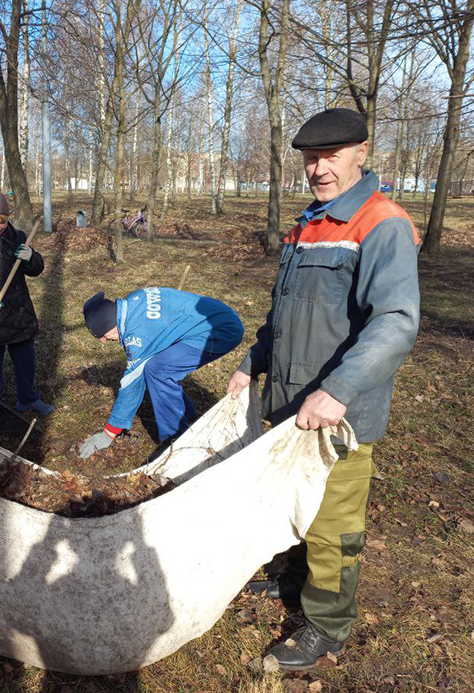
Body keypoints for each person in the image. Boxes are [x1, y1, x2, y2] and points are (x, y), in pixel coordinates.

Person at [227, 107, 420, 671]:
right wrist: (252, 361)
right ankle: (294, 580)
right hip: (293, 403)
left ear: (362, 152)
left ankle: (327, 626)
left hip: (340, 413)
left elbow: (396, 322)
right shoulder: (307, 224)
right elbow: (283, 315)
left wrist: (337, 390)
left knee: (333, 522)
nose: (318, 169)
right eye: (311, 159)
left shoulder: (380, 224)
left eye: (330, 157)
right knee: (295, 503)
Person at [79, 288, 243, 459]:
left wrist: (109, 432)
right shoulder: (134, 300)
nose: (104, 341)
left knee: (158, 370)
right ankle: (189, 418)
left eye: (103, 335)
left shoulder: (139, 335)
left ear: (111, 324)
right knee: (157, 363)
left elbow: (132, 383)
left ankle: (178, 439)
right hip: (218, 315)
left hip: (220, 331)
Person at [0, 190, 53, 415]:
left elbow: (37, 269)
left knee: (26, 362)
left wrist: (31, 257)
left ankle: (28, 399)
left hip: (18, 313)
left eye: (2, 221)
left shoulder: (18, 237)